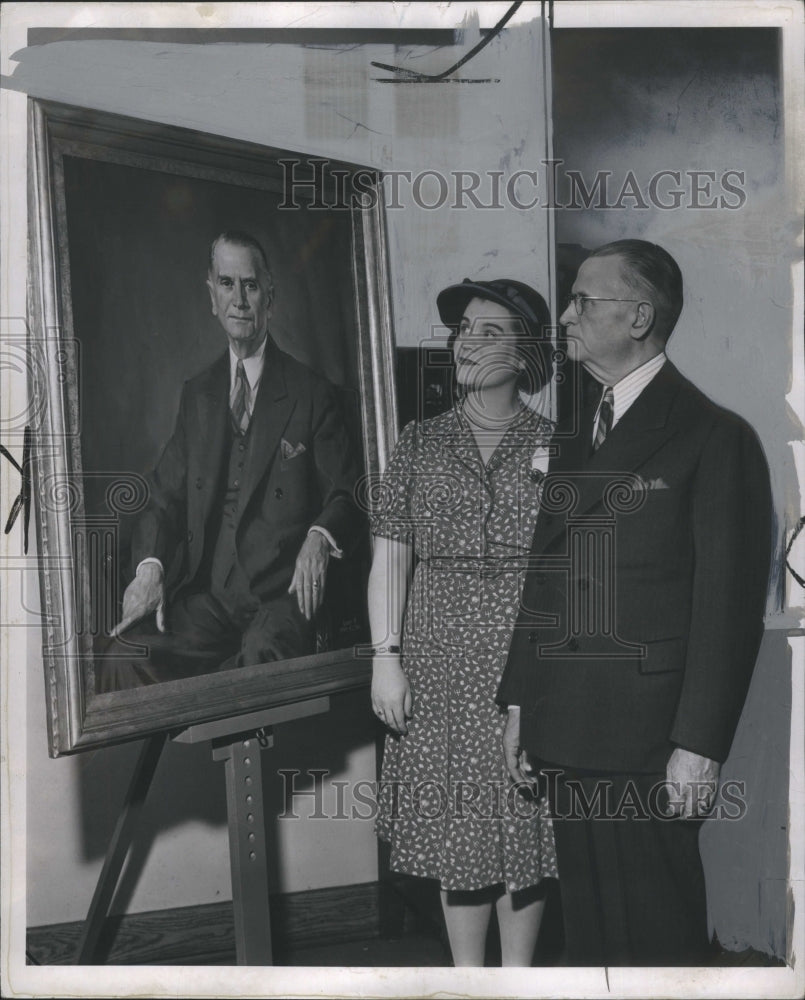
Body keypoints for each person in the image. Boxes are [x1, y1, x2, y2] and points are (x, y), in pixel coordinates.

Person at [498, 239, 773, 965]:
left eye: (583, 301)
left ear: (638, 317)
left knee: (655, 936)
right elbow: (544, 576)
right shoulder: (571, 438)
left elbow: (726, 609)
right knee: (588, 939)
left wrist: (700, 748)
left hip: (648, 746)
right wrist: (521, 704)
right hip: (565, 729)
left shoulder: (716, 438)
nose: (564, 315)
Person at [368, 278, 559, 967]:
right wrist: (383, 656)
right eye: (462, 329)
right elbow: (389, 555)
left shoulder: (557, 445)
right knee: (460, 832)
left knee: (520, 828)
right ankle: (469, 981)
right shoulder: (418, 442)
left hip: (522, 665)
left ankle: (518, 979)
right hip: (437, 667)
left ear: (528, 353)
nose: (467, 343)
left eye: (490, 331)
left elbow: (567, 570)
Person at [100, 230, 361, 690]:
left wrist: (320, 537)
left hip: (280, 598)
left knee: (257, 662)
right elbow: (163, 496)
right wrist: (149, 569)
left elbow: (347, 490)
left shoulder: (311, 393)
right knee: (126, 655)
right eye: (227, 284)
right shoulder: (197, 394)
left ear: (270, 297)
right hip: (212, 599)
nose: (239, 300)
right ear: (212, 297)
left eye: (251, 285)